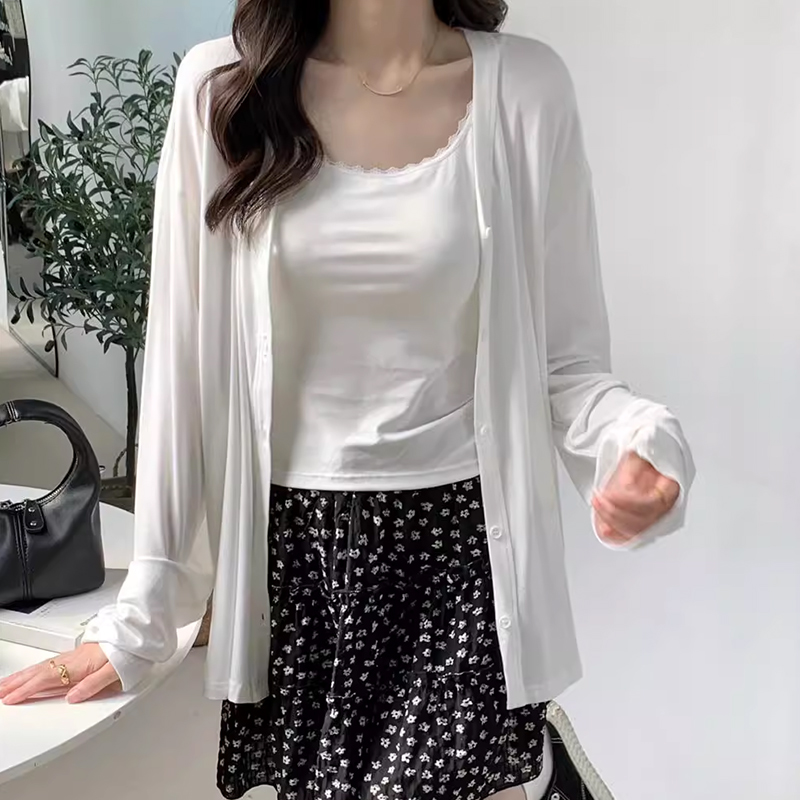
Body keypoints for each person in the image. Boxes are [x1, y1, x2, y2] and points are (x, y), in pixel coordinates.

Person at [0, 2, 695, 799]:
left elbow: (567, 364)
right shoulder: (224, 88)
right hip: (297, 558)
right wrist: (146, 614)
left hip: (459, 550)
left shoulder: (525, 89)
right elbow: (181, 368)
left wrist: (639, 443)